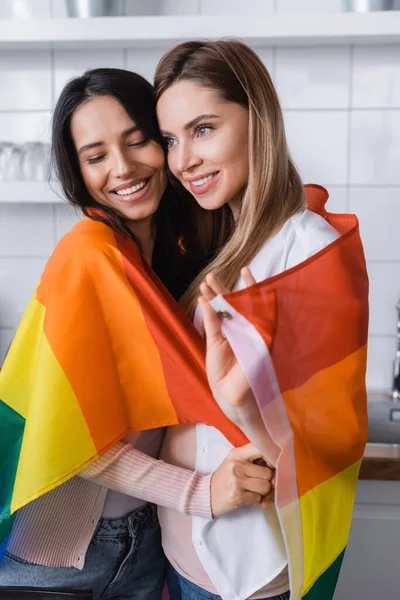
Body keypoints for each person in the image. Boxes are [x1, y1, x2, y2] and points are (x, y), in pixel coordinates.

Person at [0, 68, 274, 599]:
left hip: (146, 541)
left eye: (138, 140)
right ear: (78, 172)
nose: (123, 168)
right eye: (96, 155)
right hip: (60, 556)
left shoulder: (168, 259)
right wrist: (203, 493)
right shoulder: (88, 254)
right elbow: (79, 439)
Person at [155, 40, 343, 600]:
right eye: (170, 139)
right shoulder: (222, 239)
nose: (182, 159)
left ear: (258, 118)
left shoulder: (308, 249)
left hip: (246, 576)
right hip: (185, 558)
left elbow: (324, 452)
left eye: (203, 129)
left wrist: (242, 410)